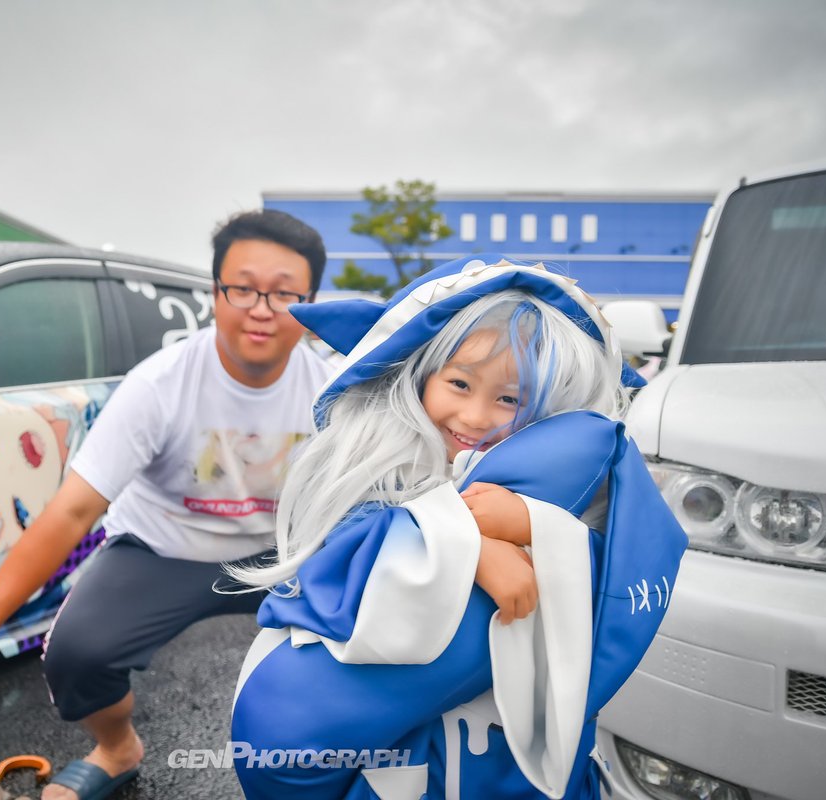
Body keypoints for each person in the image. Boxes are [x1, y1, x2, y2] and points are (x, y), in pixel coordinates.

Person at [228, 255, 688, 799]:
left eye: (510, 398)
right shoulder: (380, 464)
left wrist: (534, 524)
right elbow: (343, 541)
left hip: (502, 751)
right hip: (399, 756)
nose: (474, 416)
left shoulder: (566, 481)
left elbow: (617, 569)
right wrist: (468, 546)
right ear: (421, 374)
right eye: (459, 383)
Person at [0, 209, 333, 800]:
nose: (261, 308)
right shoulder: (159, 384)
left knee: (372, 631)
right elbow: (72, 511)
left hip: (281, 554)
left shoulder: (334, 392)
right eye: (243, 288)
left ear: (311, 302)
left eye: (285, 293)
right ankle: (117, 749)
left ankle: (349, 759)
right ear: (215, 292)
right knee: (77, 654)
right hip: (165, 547)